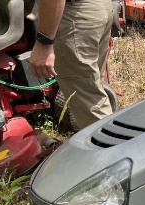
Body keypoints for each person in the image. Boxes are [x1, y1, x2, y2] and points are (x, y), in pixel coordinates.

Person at [29, 0, 114, 129]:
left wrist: (44, 42)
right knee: (93, 91)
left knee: (92, 108)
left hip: (74, 17)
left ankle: (113, 146)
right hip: (97, 9)